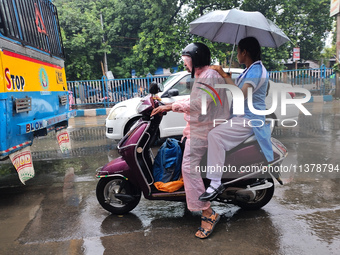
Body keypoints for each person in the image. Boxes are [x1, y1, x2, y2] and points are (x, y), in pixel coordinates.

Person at [151, 42, 229, 239]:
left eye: (187, 61)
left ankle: (207, 213)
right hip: (200, 127)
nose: (186, 65)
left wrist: (169, 108)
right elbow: (192, 99)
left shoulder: (209, 76)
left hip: (205, 129)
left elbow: (198, 104)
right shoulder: (205, 75)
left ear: (197, 60)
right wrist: (168, 102)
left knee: (188, 167)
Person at [199, 37, 274, 201]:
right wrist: (226, 77)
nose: (238, 55)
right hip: (242, 116)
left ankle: (215, 183)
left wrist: (222, 74)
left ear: (244, 52)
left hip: (249, 119)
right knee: (212, 129)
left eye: (239, 51)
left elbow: (240, 95)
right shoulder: (251, 69)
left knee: (215, 136)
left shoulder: (256, 71)